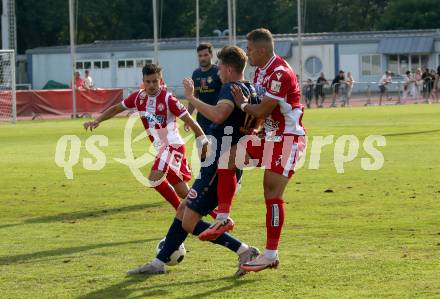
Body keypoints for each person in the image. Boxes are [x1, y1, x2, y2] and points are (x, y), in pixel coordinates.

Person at [126, 46, 260, 277]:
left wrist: (191, 98)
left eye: (220, 69)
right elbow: (255, 122)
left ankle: (244, 250)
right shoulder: (251, 89)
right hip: (221, 163)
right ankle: (158, 263)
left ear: (228, 68)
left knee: (188, 221)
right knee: (182, 210)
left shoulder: (231, 87)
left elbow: (218, 115)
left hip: (219, 168)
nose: (218, 73)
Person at [208, 28, 306, 272]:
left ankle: (271, 254)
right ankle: (223, 218)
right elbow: (262, 114)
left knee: (271, 192)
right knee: (226, 159)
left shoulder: (280, 73)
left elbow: (261, 109)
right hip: (271, 136)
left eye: (249, 49)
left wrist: (242, 103)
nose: (247, 53)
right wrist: (255, 128)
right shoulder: (261, 71)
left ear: (262, 50)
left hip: (288, 139)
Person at [83, 63, 208, 212]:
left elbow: (191, 122)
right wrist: (97, 120)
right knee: (183, 192)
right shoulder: (138, 97)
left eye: (155, 81)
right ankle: (214, 213)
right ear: (143, 81)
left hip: (172, 146)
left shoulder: (169, 99)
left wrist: (204, 142)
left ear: (160, 81)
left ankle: (180, 212)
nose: (151, 85)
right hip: (162, 149)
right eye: (148, 81)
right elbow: (116, 108)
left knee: (154, 179)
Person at [187, 43, 222, 134]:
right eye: (200, 55)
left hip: (217, 118)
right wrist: (188, 118)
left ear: (211, 55)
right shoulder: (196, 74)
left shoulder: (218, 71)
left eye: (206, 55)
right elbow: (193, 99)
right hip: (201, 120)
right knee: (201, 147)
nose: (203, 58)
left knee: (216, 147)